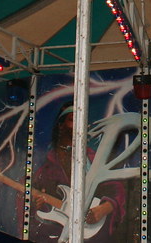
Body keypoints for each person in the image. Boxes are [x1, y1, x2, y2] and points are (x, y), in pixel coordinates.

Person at [31, 101, 125, 241]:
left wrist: (103, 208)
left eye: (80, 120)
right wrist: (37, 204)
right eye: (72, 119)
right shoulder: (46, 164)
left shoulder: (94, 158)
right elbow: (35, 203)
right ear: (60, 125)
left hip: (95, 235)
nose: (77, 124)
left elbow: (118, 190)